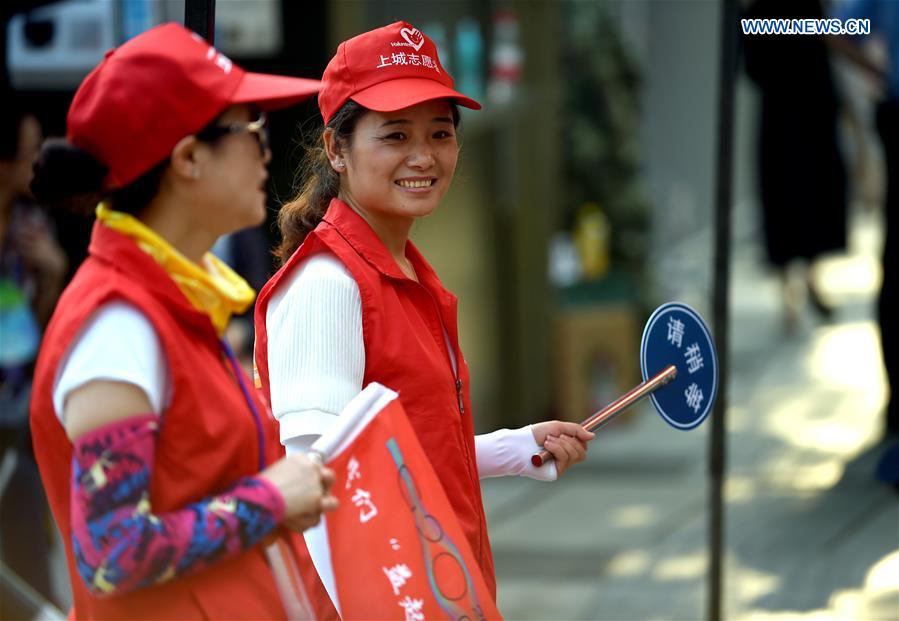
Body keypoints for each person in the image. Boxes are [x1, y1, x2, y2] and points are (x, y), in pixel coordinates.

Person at [253, 21, 596, 605]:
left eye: (441, 132)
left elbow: (403, 450)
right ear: (337, 149)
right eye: (394, 135)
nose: (424, 156)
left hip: (443, 590)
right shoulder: (328, 285)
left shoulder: (402, 267)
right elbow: (318, 491)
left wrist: (513, 449)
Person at [28, 23, 340, 620]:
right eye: (252, 130)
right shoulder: (118, 325)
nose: (266, 150)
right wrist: (271, 499)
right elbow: (112, 552)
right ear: (189, 158)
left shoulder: (169, 302)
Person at [742, 0, 849, 331]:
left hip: (802, 114)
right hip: (791, 113)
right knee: (786, 203)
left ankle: (804, 282)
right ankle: (791, 290)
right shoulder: (768, 11)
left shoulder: (802, 7)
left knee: (803, 202)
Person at [0, 101, 66, 604]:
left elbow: (37, 325)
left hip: (19, 404)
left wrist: (53, 270)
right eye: (28, 153)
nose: (36, 163)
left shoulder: (29, 224)